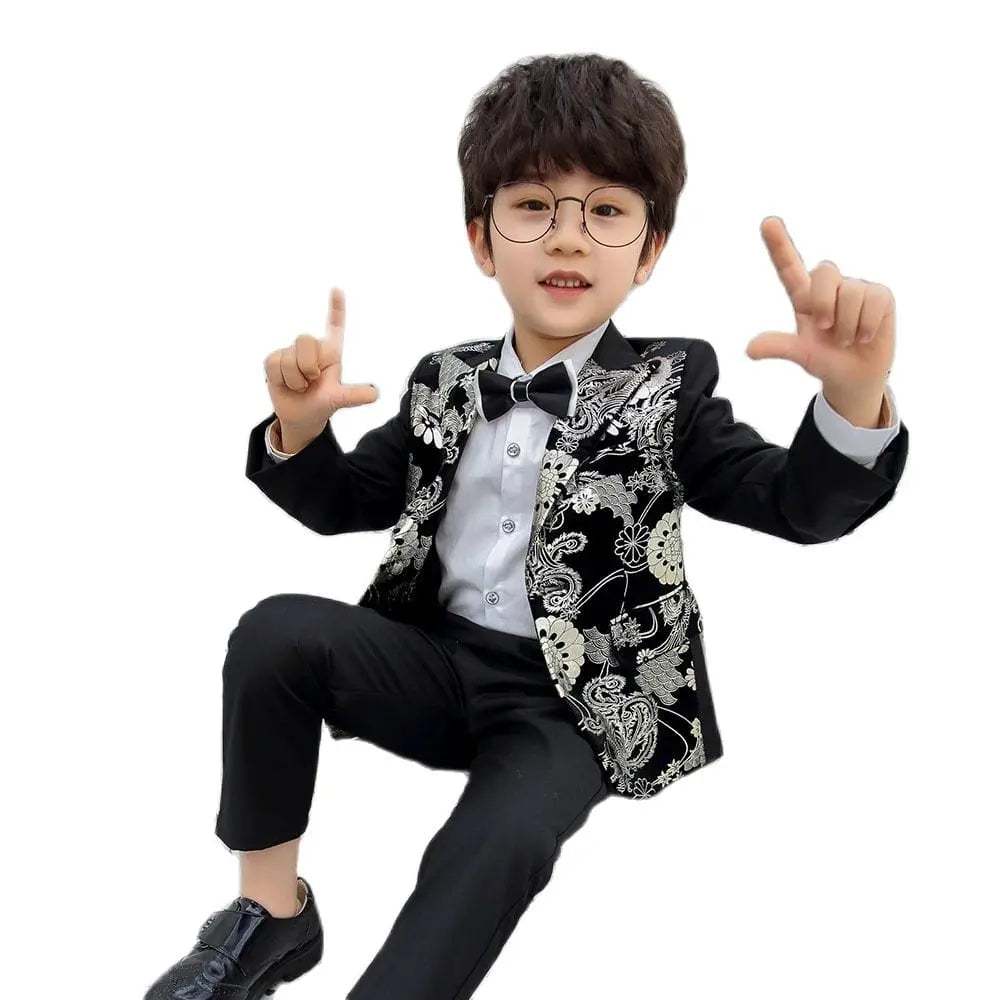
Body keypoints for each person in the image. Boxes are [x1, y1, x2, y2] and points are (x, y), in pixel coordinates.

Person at [144, 52, 908, 1000]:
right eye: (536, 206)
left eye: (607, 211)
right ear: (481, 237)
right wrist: (301, 433)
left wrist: (853, 397)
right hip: (433, 661)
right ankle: (274, 916)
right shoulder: (444, 379)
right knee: (272, 634)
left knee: (492, 841)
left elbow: (794, 503)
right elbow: (344, 502)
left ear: (651, 249)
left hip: (572, 703)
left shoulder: (670, 387)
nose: (571, 239)